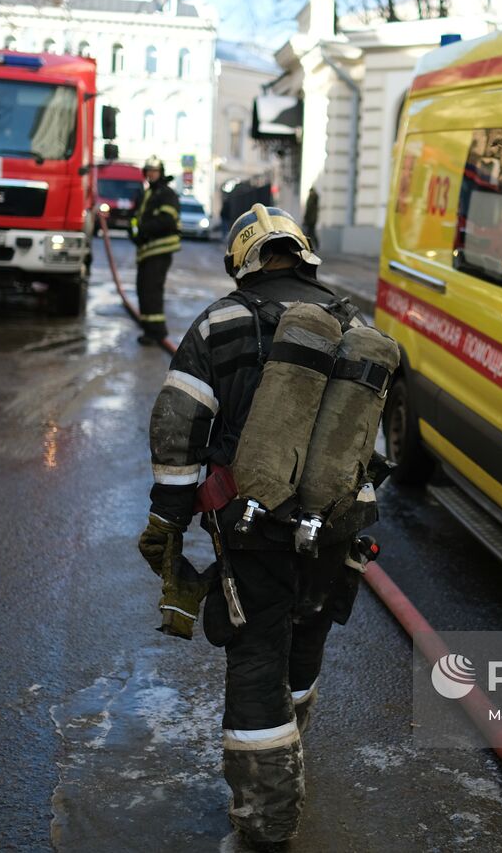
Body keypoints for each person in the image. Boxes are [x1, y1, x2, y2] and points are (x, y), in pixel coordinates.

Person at [137, 204, 380, 850]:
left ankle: (267, 816)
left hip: (255, 532)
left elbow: (178, 427)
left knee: (256, 659)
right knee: (304, 649)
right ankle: (288, 754)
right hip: (335, 529)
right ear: (303, 254)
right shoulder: (352, 320)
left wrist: (170, 516)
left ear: (242, 261)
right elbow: (366, 440)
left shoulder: (219, 322)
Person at [131, 155, 182, 344]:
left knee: (151, 291)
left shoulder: (166, 194)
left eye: (154, 171)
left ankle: (156, 333)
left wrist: (144, 230)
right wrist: (134, 232)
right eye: (148, 171)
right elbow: (136, 218)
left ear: (160, 173)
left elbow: (167, 220)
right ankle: (148, 329)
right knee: (143, 290)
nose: (151, 174)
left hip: (160, 250)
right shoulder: (147, 194)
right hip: (146, 250)